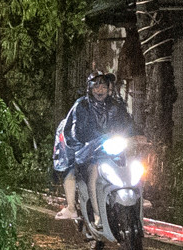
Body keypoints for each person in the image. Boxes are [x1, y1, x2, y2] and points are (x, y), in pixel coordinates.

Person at [53, 71, 132, 221]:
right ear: (90, 88)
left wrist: (136, 135)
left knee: (132, 164)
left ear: (109, 88)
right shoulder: (81, 105)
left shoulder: (116, 105)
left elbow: (127, 124)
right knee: (92, 171)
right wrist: (86, 143)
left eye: (103, 86)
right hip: (87, 151)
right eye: (96, 87)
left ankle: (135, 194)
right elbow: (75, 132)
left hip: (110, 149)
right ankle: (91, 213)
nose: (100, 90)